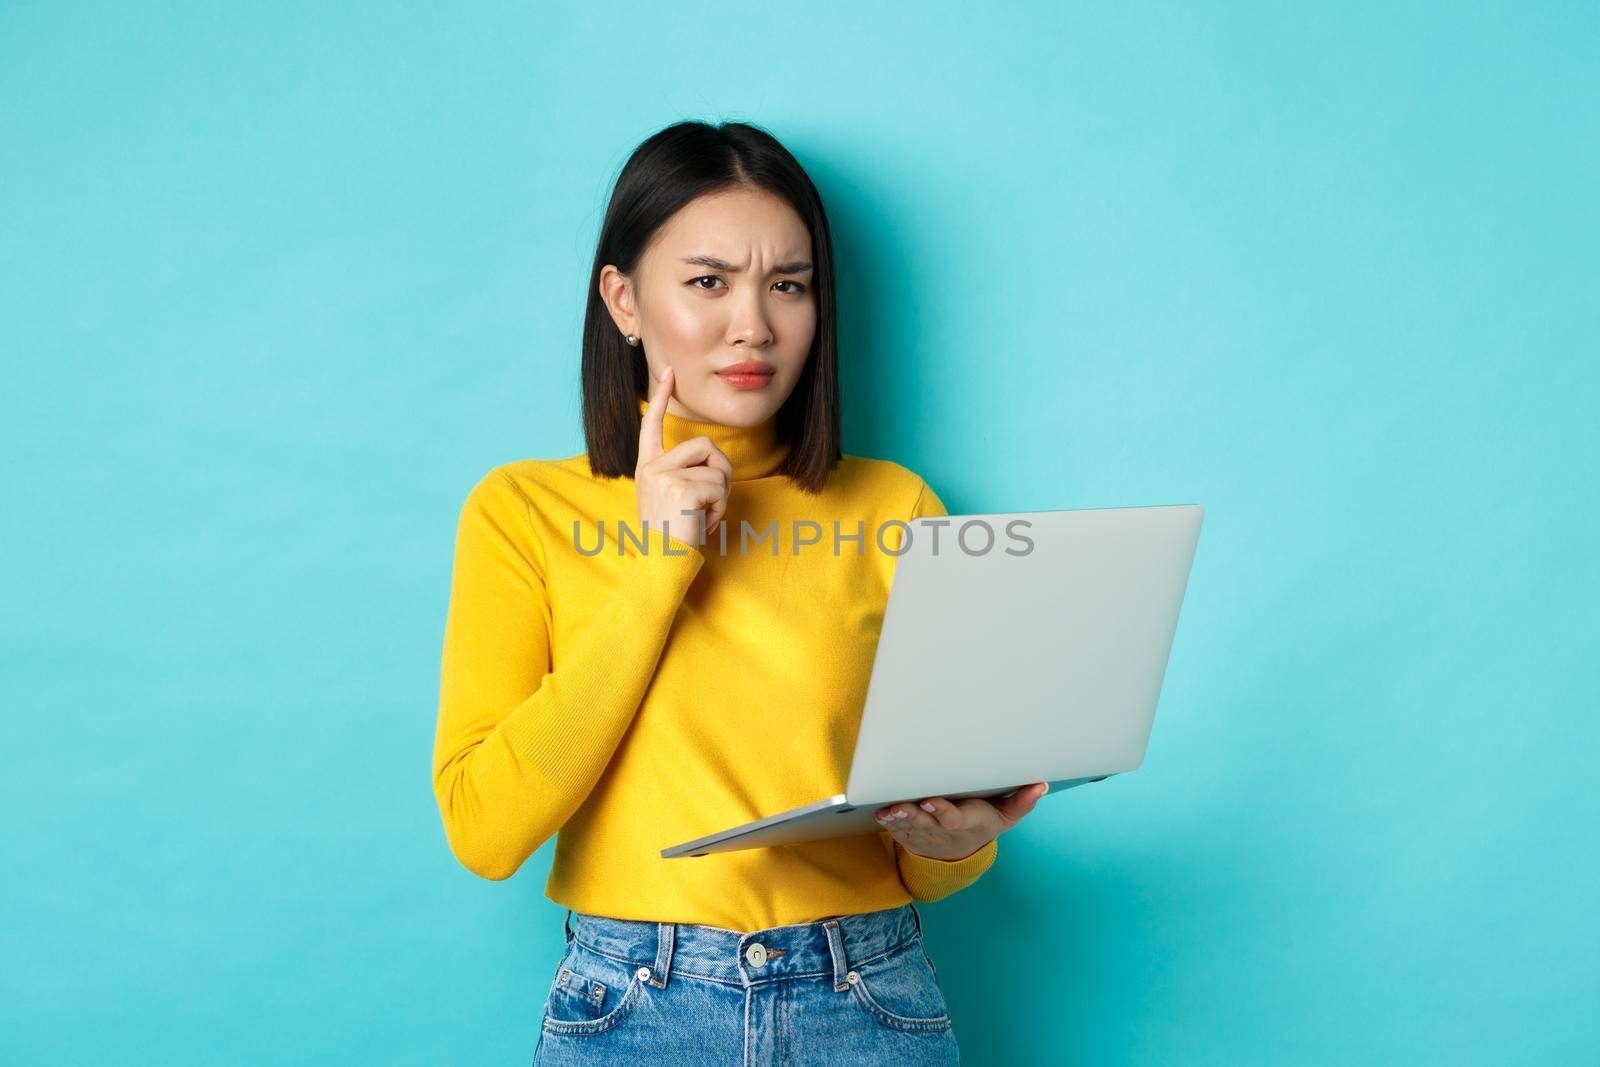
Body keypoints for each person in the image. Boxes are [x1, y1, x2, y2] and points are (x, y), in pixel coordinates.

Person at [432, 119, 1049, 1065]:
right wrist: (661, 565)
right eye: (709, 281)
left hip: (867, 994)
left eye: (787, 285)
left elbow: (930, 868)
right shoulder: (523, 511)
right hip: (634, 1005)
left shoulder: (897, 506)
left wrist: (960, 838)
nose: (753, 324)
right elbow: (485, 829)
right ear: (624, 299)